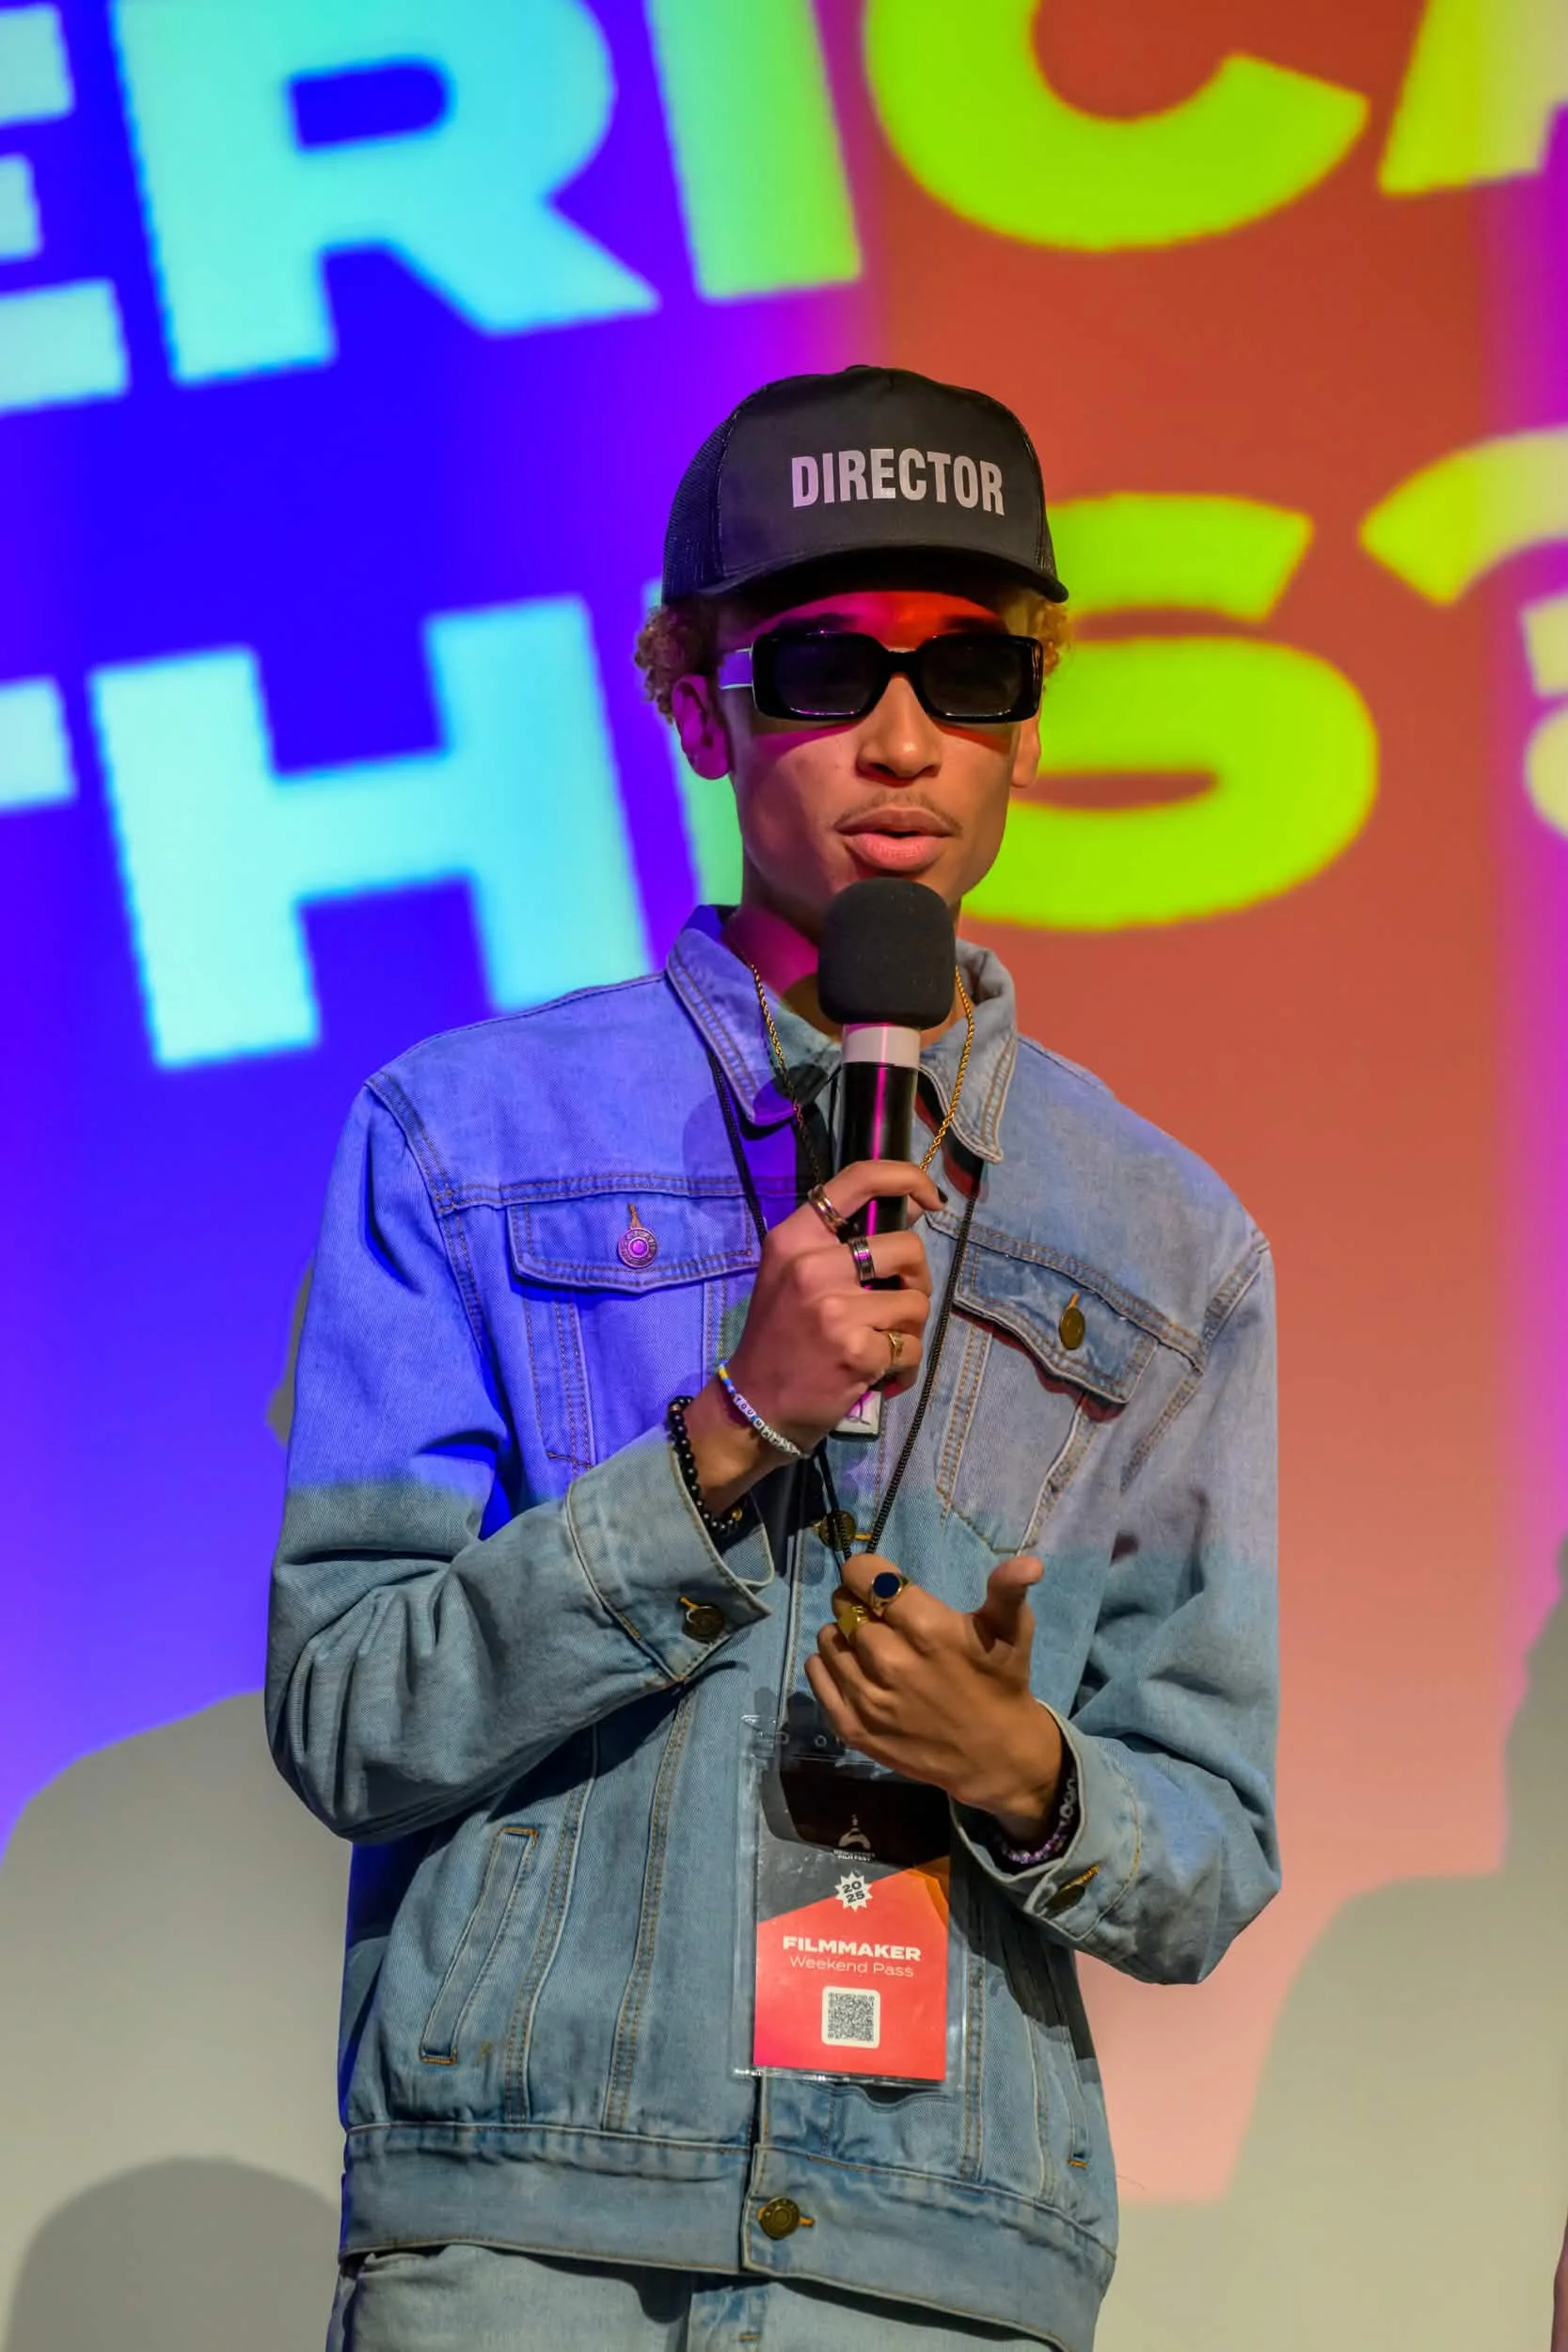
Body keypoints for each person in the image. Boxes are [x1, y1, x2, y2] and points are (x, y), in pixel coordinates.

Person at [267, 364, 1280, 2351]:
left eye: (969, 672)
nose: (901, 742)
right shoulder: (464, 1138)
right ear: (691, 694)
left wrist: (1022, 1767)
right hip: (530, 2231)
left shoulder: (1164, 1241)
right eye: (821, 666)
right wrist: (725, 1437)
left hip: (936, 2256)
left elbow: (1211, 1847)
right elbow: (344, 1708)